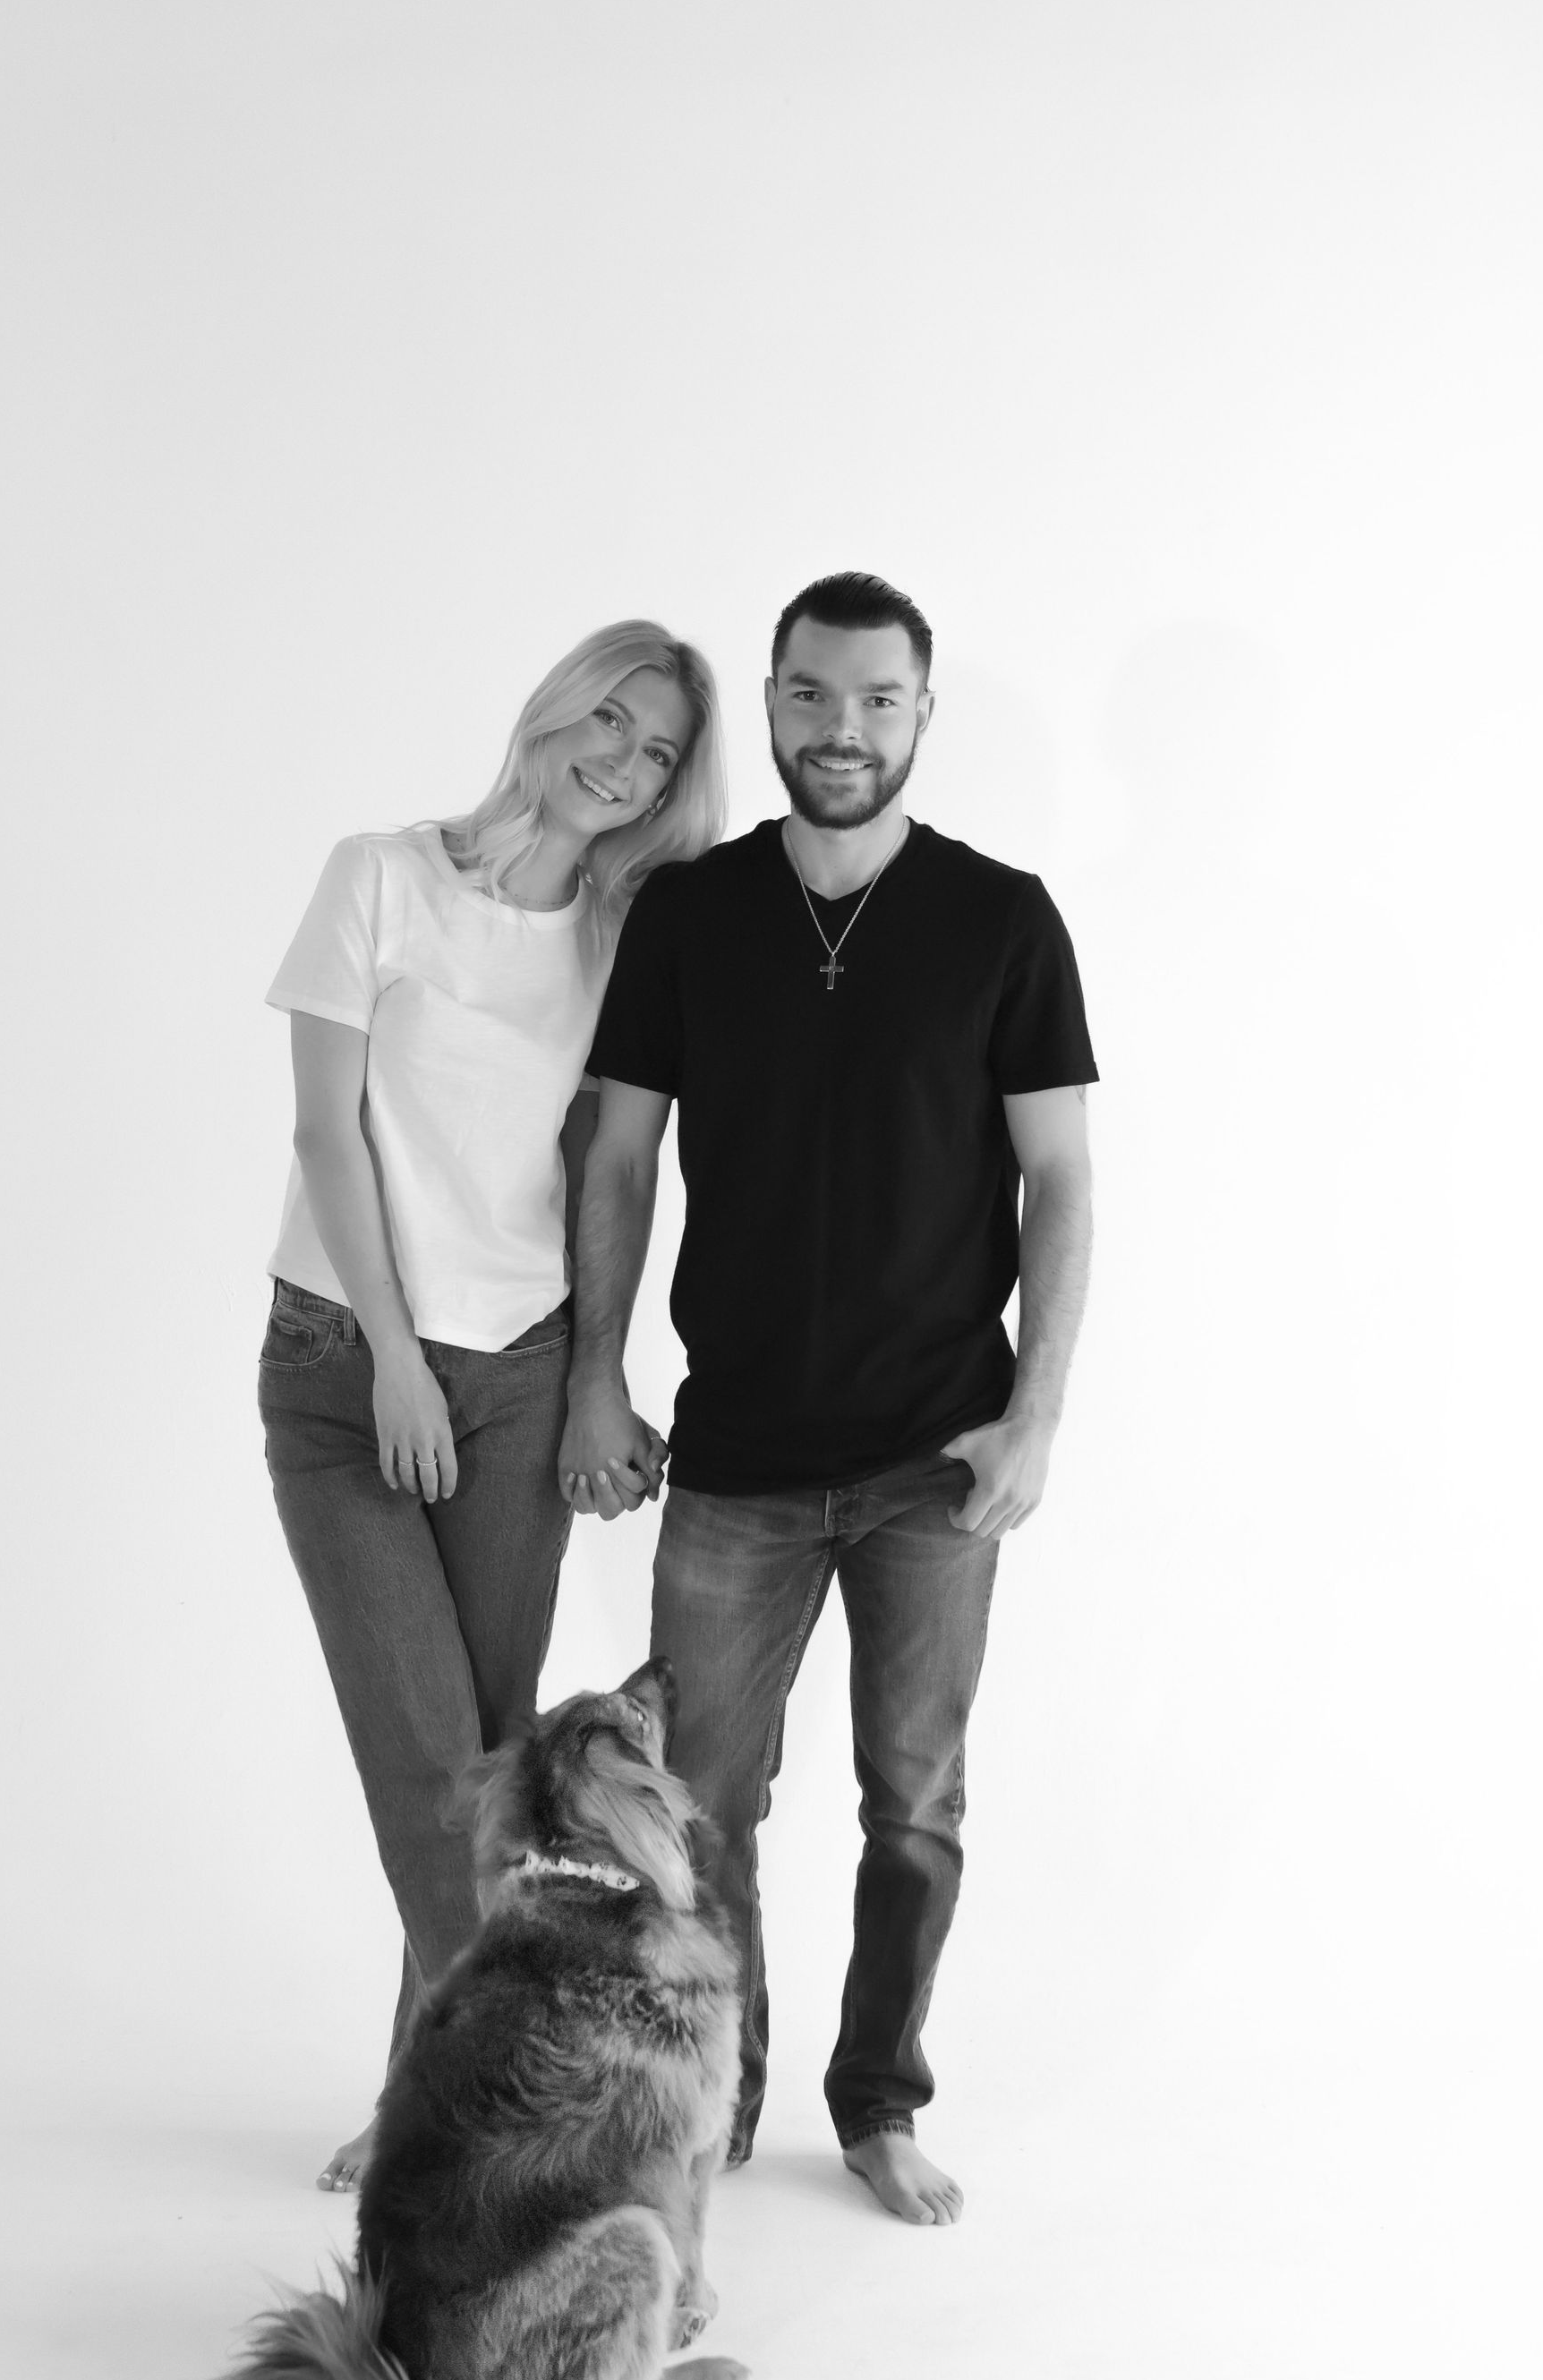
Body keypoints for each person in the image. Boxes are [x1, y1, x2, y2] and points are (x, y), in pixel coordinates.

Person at [558, 572, 1096, 2228]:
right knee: (702, 1801)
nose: (840, 730)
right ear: (772, 702)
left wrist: (1039, 1414)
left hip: (941, 1453)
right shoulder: (690, 913)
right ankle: (712, 2100)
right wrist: (597, 1373)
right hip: (738, 1454)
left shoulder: (1004, 919)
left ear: (923, 712)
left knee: (912, 1800)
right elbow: (620, 1154)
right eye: (808, 695)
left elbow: (1063, 1178)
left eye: (875, 700)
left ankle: (875, 2101)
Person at [259, 619, 724, 2190]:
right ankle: (546, 2087)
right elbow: (331, 1136)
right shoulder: (380, 874)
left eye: (659, 751)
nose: (625, 760)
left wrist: (600, 1380)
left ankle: (422, 2100)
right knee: (425, 1771)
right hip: (348, 1366)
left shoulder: (619, 938)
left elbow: (612, 1169)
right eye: (611, 717)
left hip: (521, 1376)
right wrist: (392, 1350)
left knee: (485, 1759)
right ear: (553, 706)